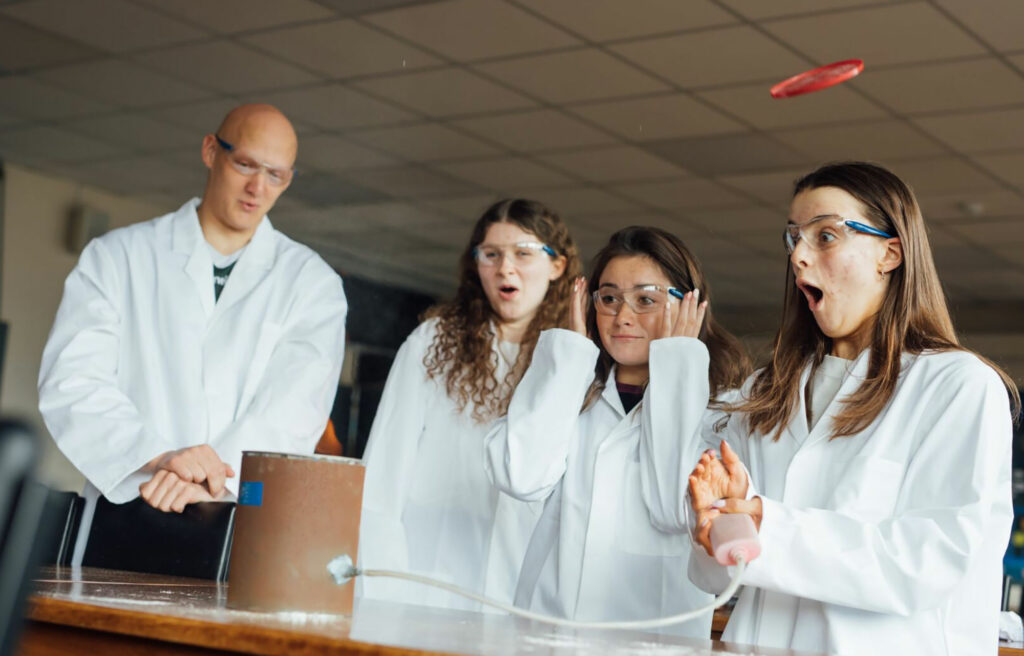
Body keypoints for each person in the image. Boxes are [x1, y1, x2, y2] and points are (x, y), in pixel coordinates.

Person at [646, 162, 1018, 655]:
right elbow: (717, 578)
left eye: (825, 236)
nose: (798, 256)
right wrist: (721, 524)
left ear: (890, 252)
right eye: (793, 238)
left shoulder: (956, 385)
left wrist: (766, 523)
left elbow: (930, 561)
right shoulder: (768, 391)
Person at [38, 104, 347, 561]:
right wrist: (161, 456)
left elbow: (293, 412)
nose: (257, 188)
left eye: (276, 175)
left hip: (233, 518)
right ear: (210, 150)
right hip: (123, 505)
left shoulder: (312, 284)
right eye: (244, 164)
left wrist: (206, 474)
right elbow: (73, 383)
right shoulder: (118, 257)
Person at [484, 226, 750, 635]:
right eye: (608, 298)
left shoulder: (723, 412)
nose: (623, 316)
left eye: (646, 299)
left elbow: (671, 507)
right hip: (545, 634)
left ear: (689, 307)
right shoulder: (571, 392)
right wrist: (570, 356)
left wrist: (677, 364)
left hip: (650, 640)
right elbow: (521, 477)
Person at [358, 198, 580, 610]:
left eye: (523, 254)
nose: (505, 268)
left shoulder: (575, 358)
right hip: (426, 581)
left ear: (557, 266)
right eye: (491, 254)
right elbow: (382, 475)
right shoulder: (433, 342)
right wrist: (383, 590)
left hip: (524, 593)